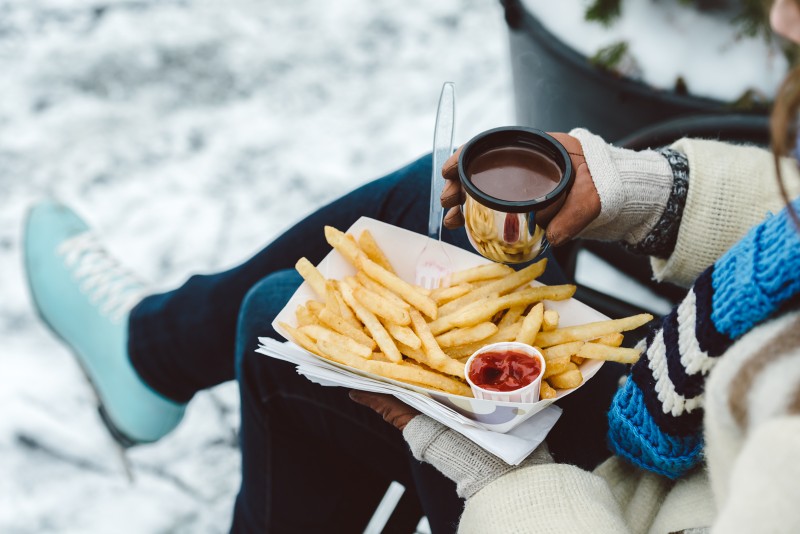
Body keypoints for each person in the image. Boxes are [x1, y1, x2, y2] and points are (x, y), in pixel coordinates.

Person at [22, 1, 800, 532]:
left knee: (279, 323)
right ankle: (152, 354)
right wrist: (647, 191)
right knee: (436, 190)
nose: (779, 17)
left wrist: (498, 473)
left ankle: (149, 357)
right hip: (692, 391)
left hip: (640, 498)